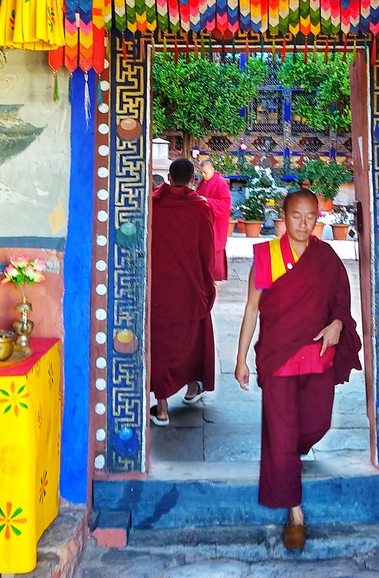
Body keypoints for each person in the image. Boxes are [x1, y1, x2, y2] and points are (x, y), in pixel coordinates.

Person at [234, 189, 361, 551]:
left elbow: (341, 299)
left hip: (317, 354)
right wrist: (241, 358)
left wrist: (337, 323)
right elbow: (251, 310)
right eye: (296, 216)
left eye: (310, 216)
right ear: (283, 217)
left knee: (317, 423)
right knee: (283, 434)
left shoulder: (325, 256)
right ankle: (295, 513)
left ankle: (287, 455)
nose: (303, 224)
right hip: (277, 358)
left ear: (317, 218)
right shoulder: (265, 256)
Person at [149, 157, 217, 426]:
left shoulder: (153, 204)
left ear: (168, 176)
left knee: (162, 342)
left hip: (160, 288)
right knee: (191, 337)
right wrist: (207, 283)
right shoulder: (200, 209)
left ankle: (162, 408)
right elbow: (207, 252)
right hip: (189, 287)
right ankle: (191, 388)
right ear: (192, 179)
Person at [196, 158, 233, 281]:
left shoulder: (220, 182)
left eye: (205, 172)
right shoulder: (201, 182)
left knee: (215, 246)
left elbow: (225, 202)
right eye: (201, 172)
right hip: (204, 220)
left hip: (216, 220)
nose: (203, 175)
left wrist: (208, 201)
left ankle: (215, 276)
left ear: (212, 169)